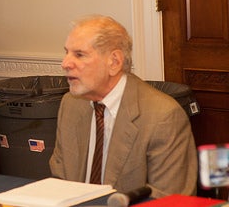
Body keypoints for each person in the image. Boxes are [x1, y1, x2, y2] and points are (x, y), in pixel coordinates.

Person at [49, 15, 197, 198]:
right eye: (66, 52)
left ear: (114, 62)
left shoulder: (163, 117)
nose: (65, 64)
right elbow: (59, 182)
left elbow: (171, 201)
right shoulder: (70, 105)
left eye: (79, 54)